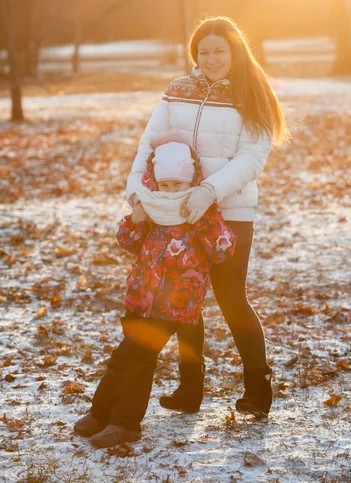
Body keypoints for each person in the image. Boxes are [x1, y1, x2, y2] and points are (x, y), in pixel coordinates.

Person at [125, 16, 289, 418]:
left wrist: (209, 190)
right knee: (184, 301)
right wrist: (136, 192)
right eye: (204, 52)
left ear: (236, 51)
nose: (212, 59)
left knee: (231, 298)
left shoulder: (252, 94)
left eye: (220, 51)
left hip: (229, 211)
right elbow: (149, 141)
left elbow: (252, 158)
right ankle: (190, 388)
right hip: (174, 211)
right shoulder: (177, 90)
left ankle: (258, 389)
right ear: (194, 54)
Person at [73, 136, 236, 448]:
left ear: (190, 180)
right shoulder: (149, 204)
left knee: (127, 359)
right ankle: (124, 423)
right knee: (139, 361)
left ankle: (101, 412)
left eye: (178, 184)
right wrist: (134, 221)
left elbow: (221, 251)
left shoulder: (201, 210)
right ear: (156, 182)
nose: (172, 191)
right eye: (166, 185)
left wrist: (204, 222)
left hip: (175, 304)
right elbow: (128, 242)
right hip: (141, 298)